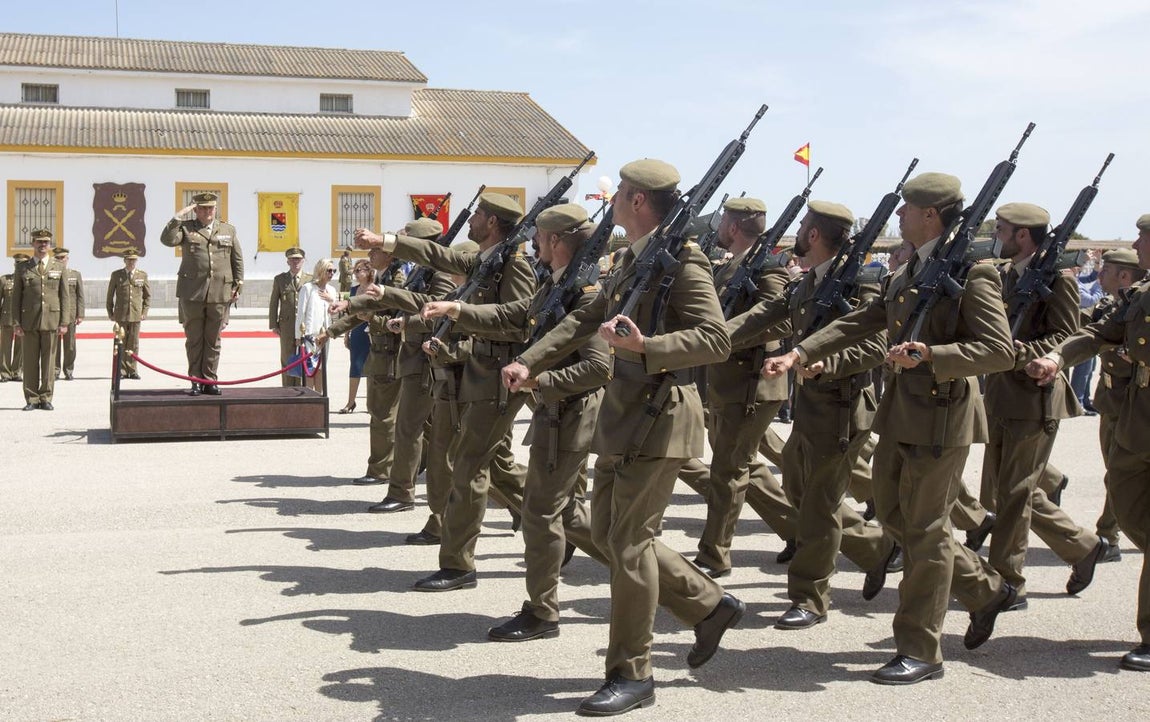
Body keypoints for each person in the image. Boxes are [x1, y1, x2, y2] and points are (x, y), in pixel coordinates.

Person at [503, 160, 743, 716]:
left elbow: (716, 339)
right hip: (625, 419)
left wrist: (645, 347)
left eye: (619, 195)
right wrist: (529, 360)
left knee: (629, 543)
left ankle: (633, 673)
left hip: (661, 417)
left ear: (637, 201)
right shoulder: (632, 262)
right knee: (613, 537)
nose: (609, 203)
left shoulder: (684, 263)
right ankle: (708, 605)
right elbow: (586, 318)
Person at [763, 172, 1018, 684]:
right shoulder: (906, 274)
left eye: (906, 209)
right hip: (900, 415)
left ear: (931, 215)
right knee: (898, 521)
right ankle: (987, 591)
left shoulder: (973, 273)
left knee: (923, 531)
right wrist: (801, 349)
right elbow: (862, 321)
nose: (897, 217)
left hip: (944, 417)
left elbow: (999, 350)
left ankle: (921, 650)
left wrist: (933, 355)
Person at [421, 204, 610, 642]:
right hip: (551, 410)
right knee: (556, 513)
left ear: (557, 241)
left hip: (572, 412)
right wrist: (456, 310)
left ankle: (546, 610)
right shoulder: (556, 286)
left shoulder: (584, 293)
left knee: (546, 512)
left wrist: (539, 379)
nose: (533, 244)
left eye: (540, 237)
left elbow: (599, 366)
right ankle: (661, 579)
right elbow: (512, 315)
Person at [355, 192, 535, 592]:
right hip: (472, 376)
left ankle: (468, 560)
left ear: (493, 223)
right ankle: (469, 550)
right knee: (469, 464)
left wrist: (459, 315)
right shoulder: (483, 261)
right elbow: (439, 259)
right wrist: (384, 242)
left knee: (473, 466)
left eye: (479, 216)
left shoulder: (514, 266)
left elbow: (520, 323)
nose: (471, 221)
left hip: (494, 378)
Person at [740, 200, 897, 628]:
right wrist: (713, 337)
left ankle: (809, 598)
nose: (798, 232)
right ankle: (876, 549)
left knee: (818, 506)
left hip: (844, 410)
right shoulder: (810, 283)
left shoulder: (859, 283)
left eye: (803, 225)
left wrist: (829, 362)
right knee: (796, 485)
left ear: (813, 234)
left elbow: (877, 344)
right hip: (811, 409)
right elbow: (767, 315)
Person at [1025, 213, 1150, 673]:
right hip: (1137, 420)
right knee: (1127, 502)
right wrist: (1058, 356)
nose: (1137, 242)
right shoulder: (1139, 296)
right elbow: (1100, 332)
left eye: (1144, 236)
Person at [979, 203, 1107, 611]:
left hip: (1034, 397)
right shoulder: (1004, 276)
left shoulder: (1056, 281)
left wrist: (1020, 354)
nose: (996, 235)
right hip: (1001, 394)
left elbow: (1066, 339)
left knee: (1016, 493)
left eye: (1002, 229)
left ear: (1022, 235)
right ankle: (1083, 546)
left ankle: (1008, 583)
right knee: (1004, 492)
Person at [1086, 248, 1145, 564]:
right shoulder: (1112, 306)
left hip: (1130, 403)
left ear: (1124, 275)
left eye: (1105, 269)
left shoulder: (1137, 307)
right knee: (1114, 470)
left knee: (1119, 474)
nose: (1099, 274)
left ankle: (1108, 535)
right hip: (1109, 400)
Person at [160, 192, 244, 396]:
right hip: (192, 293)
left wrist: (238, 285)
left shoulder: (228, 230)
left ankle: (210, 380)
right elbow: (167, 240)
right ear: (196, 209)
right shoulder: (186, 228)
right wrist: (177, 217)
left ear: (215, 209)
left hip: (219, 292)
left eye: (211, 208)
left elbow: (237, 260)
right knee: (194, 340)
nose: (207, 212)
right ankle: (195, 380)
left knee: (213, 340)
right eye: (203, 208)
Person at [12, 229, 67, 410]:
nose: (42, 245)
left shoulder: (59, 267)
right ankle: (32, 398)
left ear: (50, 245)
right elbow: (16, 298)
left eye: (46, 242)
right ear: (33, 244)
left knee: (49, 362)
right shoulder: (22, 268)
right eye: (39, 242)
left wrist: (64, 322)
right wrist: (16, 322)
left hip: (51, 320)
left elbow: (64, 296)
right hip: (29, 321)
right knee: (29, 362)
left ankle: (46, 397)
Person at [268, 247, 310, 388]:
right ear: (287, 261)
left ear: (303, 261)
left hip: (304, 326)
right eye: (292, 259)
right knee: (287, 357)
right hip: (286, 326)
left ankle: (301, 388)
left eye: (298, 259)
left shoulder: (310, 279)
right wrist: (274, 324)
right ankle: (287, 389)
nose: (295, 262)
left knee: (303, 357)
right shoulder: (280, 279)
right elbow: (274, 302)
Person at [295, 258, 338, 394]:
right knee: (309, 370)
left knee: (321, 368)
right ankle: (308, 397)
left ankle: (319, 397)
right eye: (329, 270)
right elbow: (300, 313)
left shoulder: (331, 290)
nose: (331, 273)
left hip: (325, 336)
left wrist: (332, 301)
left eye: (333, 271)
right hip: (310, 336)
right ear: (321, 270)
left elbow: (335, 315)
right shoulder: (308, 288)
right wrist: (298, 336)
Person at [106, 251, 150, 379]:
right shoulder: (116, 275)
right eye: (129, 260)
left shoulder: (142, 275)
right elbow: (110, 295)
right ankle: (121, 370)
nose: (131, 262)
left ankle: (132, 369)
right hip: (121, 314)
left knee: (134, 343)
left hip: (136, 314)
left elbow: (147, 296)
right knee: (120, 343)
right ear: (124, 261)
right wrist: (110, 312)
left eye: (134, 260)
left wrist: (144, 312)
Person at [339, 259, 374, 413]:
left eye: (360, 270)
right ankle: (350, 402)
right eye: (356, 270)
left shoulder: (375, 289)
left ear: (368, 271)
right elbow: (349, 315)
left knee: (372, 368)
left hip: (373, 330)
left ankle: (371, 404)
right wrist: (347, 335)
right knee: (355, 366)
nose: (357, 273)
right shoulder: (353, 290)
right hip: (358, 331)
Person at [53, 247, 84, 381]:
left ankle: (69, 370)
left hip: (70, 314)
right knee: (54, 345)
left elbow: (80, 295)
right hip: (54, 314)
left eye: (63, 258)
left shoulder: (75, 274)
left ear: (67, 259)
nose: (61, 260)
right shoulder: (51, 273)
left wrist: (80, 314)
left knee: (70, 345)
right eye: (58, 258)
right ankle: (55, 371)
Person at [0, 252, 30, 382]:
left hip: (23, 320)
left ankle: (17, 372)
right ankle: (5, 373)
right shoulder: (4, 280)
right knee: (5, 347)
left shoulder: (30, 280)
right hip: (7, 318)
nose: (19, 266)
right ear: (14, 264)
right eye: (17, 263)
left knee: (20, 347)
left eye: (22, 263)